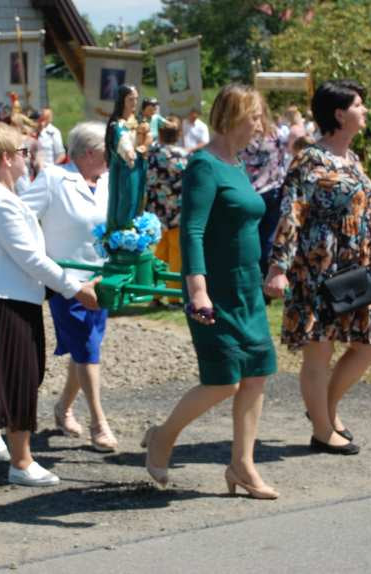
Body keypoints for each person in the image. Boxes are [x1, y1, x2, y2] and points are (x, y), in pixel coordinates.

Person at [143, 84, 279, 499]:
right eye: (254, 116)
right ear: (234, 115)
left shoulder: (236, 165)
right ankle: (163, 436)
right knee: (224, 381)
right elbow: (193, 229)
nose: (260, 124)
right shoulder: (203, 164)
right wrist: (197, 289)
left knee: (256, 375)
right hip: (214, 291)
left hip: (247, 290)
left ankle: (242, 465)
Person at [0, 122, 100, 486]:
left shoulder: (3, 196)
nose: (28, 158)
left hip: (10, 297)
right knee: (19, 376)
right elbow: (31, 258)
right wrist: (75, 289)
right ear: (7, 158)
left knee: (24, 373)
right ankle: (21, 463)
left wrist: (74, 281)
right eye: (23, 152)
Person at [264, 79, 371, 457]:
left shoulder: (352, 158)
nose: (365, 111)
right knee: (320, 350)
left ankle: (326, 410)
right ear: (339, 113)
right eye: (359, 105)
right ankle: (321, 429)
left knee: (370, 345)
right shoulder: (310, 159)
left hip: (356, 267)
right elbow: (292, 211)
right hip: (317, 267)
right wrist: (278, 266)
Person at [22, 121, 118, 452]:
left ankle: (63, 408)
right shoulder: (53, 178)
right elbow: (20, 217)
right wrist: (39, 256)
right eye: (107, 151)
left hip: (101, 279)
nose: (112, 157)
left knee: (86, 348)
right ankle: (98, 423)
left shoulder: (106, 181)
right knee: (88, 348)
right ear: (90, 152)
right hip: (67, 282)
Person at [237, 111, 287, 296]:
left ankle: (253, 283)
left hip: (249, 191)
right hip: (273, 190)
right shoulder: (276, 135)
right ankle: (266, 282)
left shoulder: (244, 138)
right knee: (269, 239)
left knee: (251, 238)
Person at [145, 116, 188, 304]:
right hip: (177, 212)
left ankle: (154, 293)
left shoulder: (152, 153)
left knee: (159, 252)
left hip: (157, 212)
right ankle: (173, 297)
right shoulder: (182, 155)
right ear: (178, 135)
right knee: (176, 253)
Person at [105, 85, 149, 230]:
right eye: (131, 99)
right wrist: (129, 152)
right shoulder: (117, 123)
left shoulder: (138, 119)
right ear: (122, 101)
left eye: (136, 99)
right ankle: (123, 230)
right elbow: (121, 138)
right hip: (126, 167)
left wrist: (146, 142)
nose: (134, 103)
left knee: (138, 197)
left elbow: (148, 136)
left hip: (139, 165)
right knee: (127, 198)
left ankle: (135, 228)